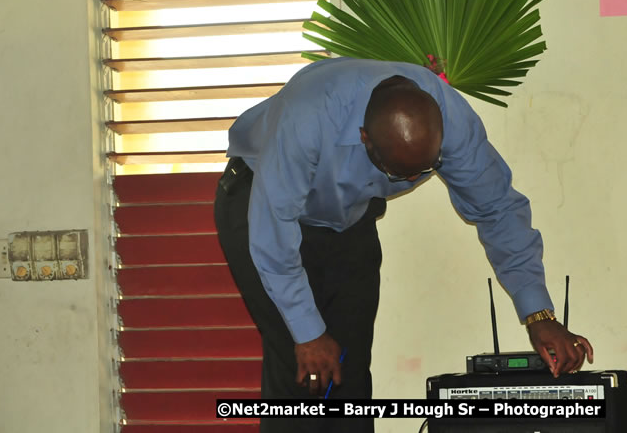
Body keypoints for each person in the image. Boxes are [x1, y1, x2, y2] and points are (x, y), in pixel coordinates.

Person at [213, 57, 593, 433]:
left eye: (424, 170)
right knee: (301, 371)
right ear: (365, 139)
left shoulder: (452, 121)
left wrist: (539, 315)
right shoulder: (309, 115)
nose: (412, 179)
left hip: (345, 216)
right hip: (258, 203)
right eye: (400, 174)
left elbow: (498, 209)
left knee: (347, 372)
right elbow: (272, 230)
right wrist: (309, 333)